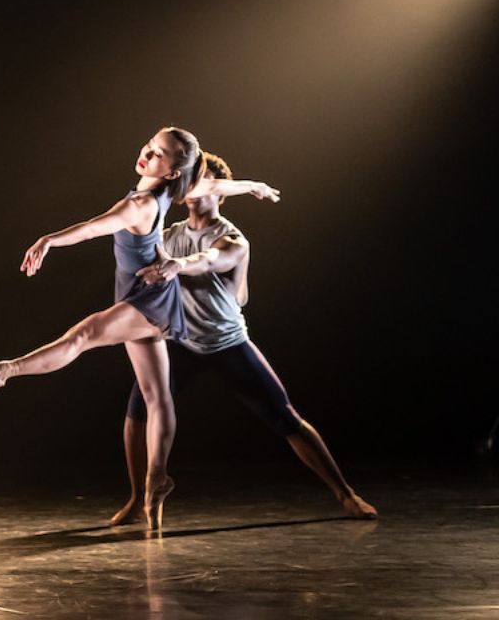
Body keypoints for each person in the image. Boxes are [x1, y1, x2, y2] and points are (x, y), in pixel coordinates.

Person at [0, 127, 217, 530]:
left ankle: (4, 371)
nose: (146, 154)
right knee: (156, 394)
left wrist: (48, 240)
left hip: (144, 301)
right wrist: (251, 185)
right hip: (150, 295)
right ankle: (158, 477)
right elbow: (213, 181)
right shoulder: (169, 191)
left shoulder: (139, 204)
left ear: (171, 171)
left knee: (81, 337)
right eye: (149, 146)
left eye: (158, 155)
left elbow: (92, 227)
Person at [107, 151, 377, 525]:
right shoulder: (168, 235)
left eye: (206, 186)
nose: (195, 192)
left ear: (221, 194)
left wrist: (177, 265)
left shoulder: (233, 238)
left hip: (226, 342)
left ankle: (346, 495)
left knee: (286, 418)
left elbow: (209, 260)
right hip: (181, 342)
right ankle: (139, 498)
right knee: (137, 411)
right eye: (192, 185)